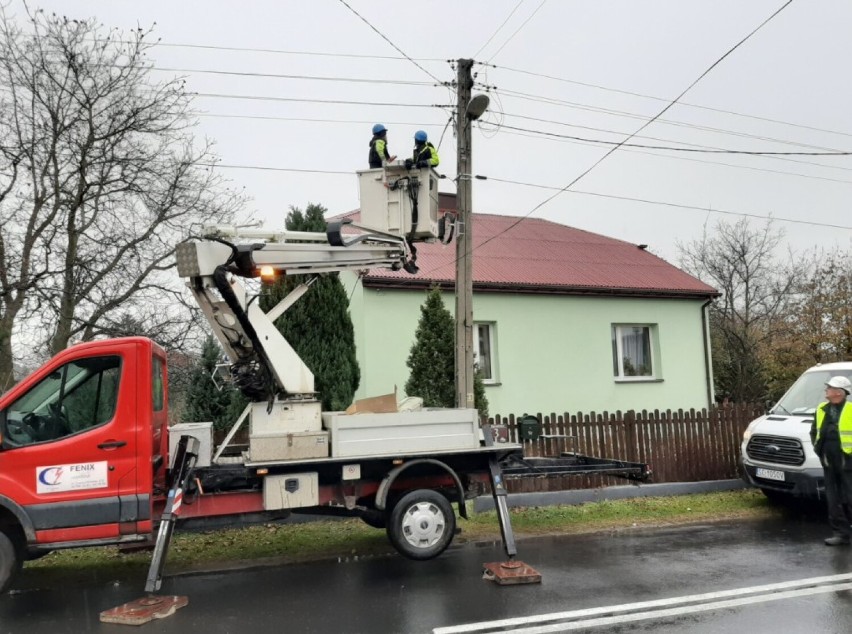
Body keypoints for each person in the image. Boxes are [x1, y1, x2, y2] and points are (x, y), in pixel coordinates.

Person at [810, 375, 852, 546]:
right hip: (828, 460)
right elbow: (814, 432)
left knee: (849, 497)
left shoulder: (850, 409)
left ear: (838, 393)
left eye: (829, 388)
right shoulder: (821, 409)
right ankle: (841, 534)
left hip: (848, 460)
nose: (826, 391)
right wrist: (819, 451)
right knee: (833, 498)